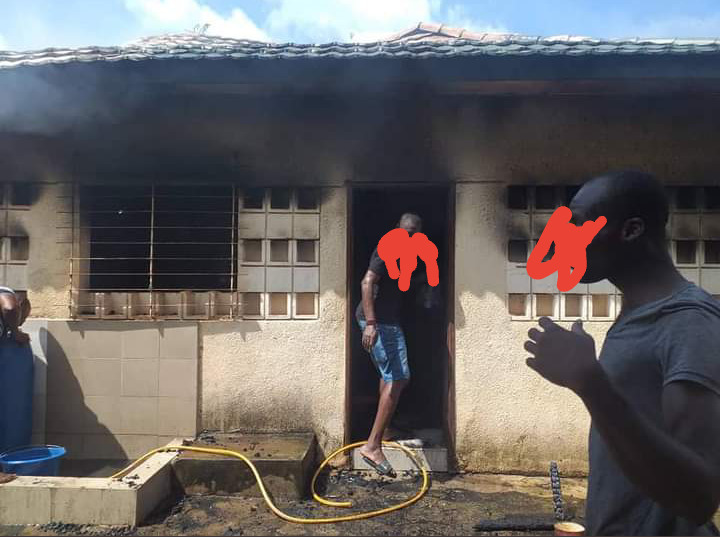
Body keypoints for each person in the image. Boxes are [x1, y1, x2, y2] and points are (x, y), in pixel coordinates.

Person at [524, 171, 720, 535]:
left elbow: (699, 497)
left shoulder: (688, 323)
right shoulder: (639, 312)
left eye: (579, 225)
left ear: (631, 231)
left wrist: (591, 384)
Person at [356, 213, 424, 477]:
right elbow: (367, 282)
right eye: (406, 232)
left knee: (389, 377)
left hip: (388, 321)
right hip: (379, 322)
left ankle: (384, 430)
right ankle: (372, 446)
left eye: (414, 233)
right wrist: (371, 323)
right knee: (398, 378)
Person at [0, 287, 33, 459]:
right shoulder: (5, 293)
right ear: (21, 305)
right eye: (23, 318)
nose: (21, 323)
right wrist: (15, 333)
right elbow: (9, 308)